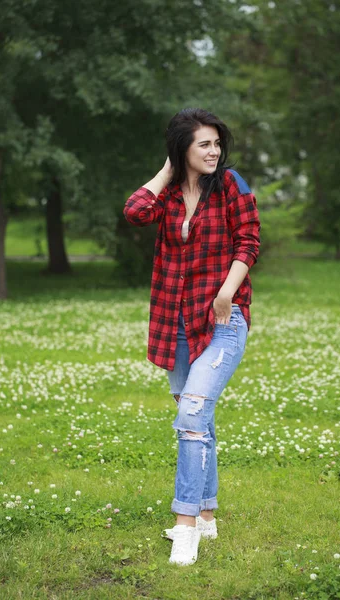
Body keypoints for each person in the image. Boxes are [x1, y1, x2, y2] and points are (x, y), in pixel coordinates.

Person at [123, 108, 260, 566]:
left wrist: (226, 293)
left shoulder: (232, 184)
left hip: (224, 322)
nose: (214, 151)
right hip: (177, 326)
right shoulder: (167, 197)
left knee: (192, 414)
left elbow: (249, 241)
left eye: (217, 144)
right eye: (203, 143)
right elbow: (134, 211)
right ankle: (206, 515)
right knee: (199, 422)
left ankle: (185, 528)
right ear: (183, 148)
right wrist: (168, 169)